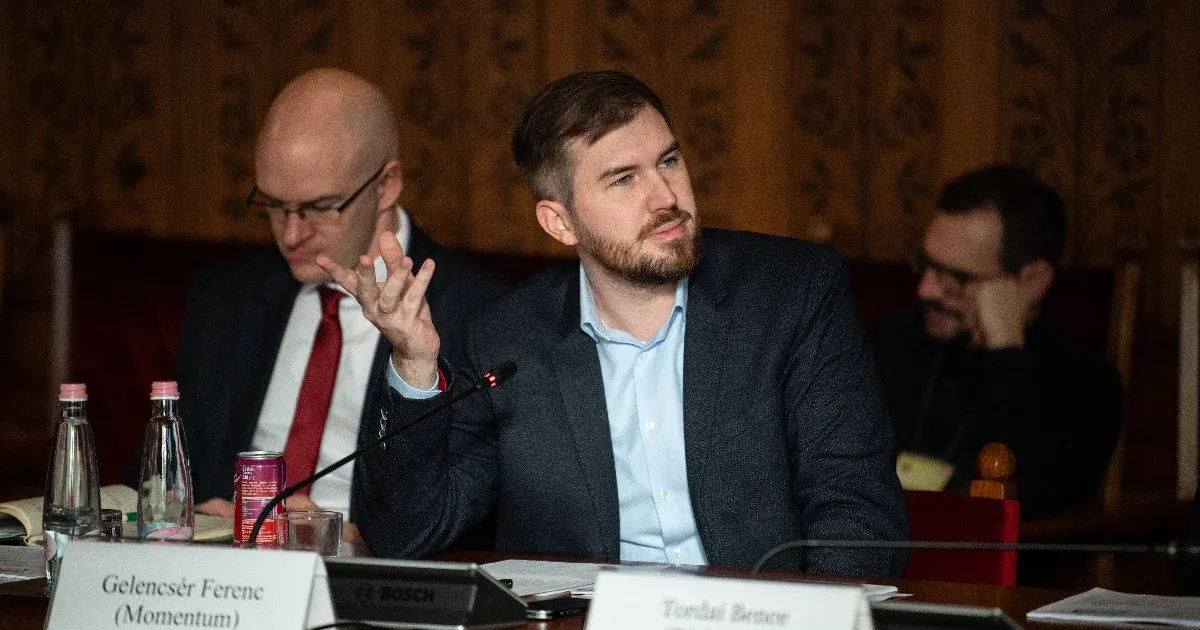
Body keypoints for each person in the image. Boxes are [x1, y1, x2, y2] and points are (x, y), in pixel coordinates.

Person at [321, 71, 907, 576]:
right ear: (560, 222)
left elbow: (857, 512)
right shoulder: (506, 338)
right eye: (624, 179)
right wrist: (414, 363)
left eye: (669, 161)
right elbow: (408, 536)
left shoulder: (791, 294)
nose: (665, 197)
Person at [124, 69, 508, 539]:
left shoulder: (480, 313)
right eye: (273, 204)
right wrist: (198, 514)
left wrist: (346, 534)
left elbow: (475, 514)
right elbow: (161, 471)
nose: (291, 234)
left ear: (386, 185)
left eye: (320, 207)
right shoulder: (227, 296)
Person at [871, 165, 1122, 520]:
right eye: (925, 264)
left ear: (1032, 281)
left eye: (955, 277)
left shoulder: (1086, 385)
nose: (925, 289)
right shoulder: (887, 338)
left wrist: (1005, 352)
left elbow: (1026, 505)